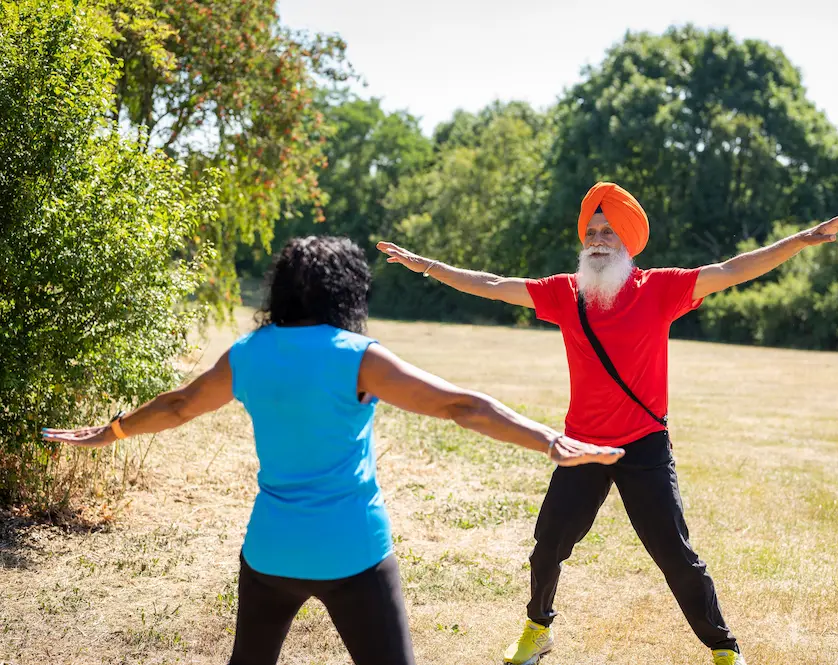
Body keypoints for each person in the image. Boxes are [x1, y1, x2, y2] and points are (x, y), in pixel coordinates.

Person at [42, 235, 624, 665]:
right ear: (347, 290)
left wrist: (109, 432)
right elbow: (460, 406)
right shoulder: (356, 356)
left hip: (270, 553)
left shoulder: (247, 354)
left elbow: (175, 407)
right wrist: (551, 441)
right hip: (353, 555)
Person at [377, 181, 838, 665]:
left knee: (675, 556)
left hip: (645, 445)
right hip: (581, 447)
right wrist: (427, 265)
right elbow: (492, 286)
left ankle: (723, 647)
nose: (599, 239)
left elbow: (732, 268)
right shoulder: (565, 293)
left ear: (628, 240)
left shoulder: (661, 289)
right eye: (592, 230)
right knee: (548, 545)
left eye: (609, 231)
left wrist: (800, 239)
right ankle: (537, 628)